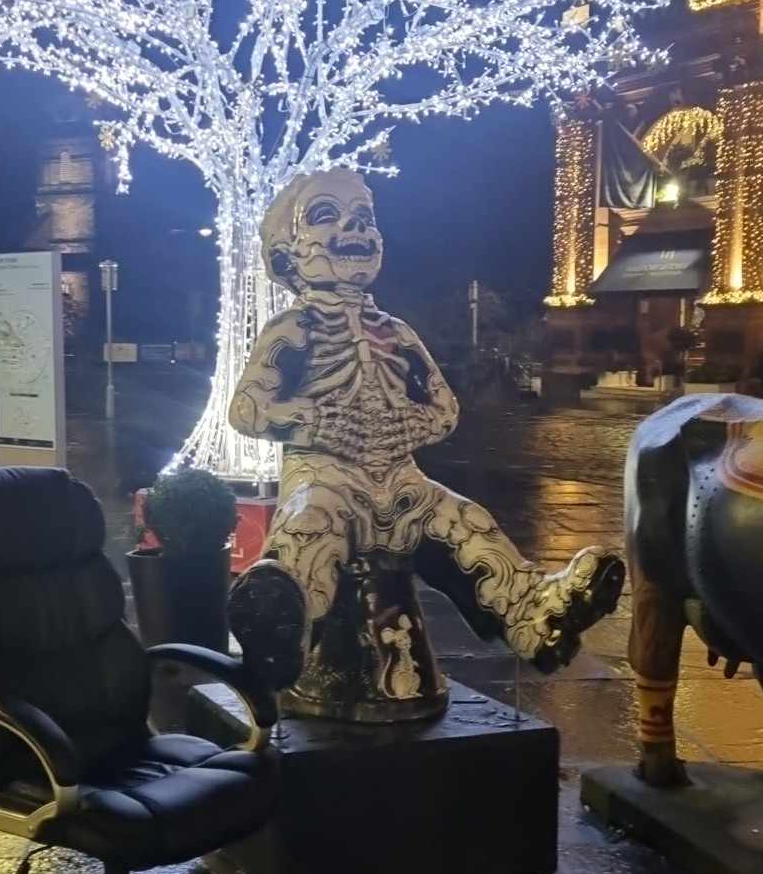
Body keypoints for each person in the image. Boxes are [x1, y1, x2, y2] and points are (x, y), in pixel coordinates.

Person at [228, 166, 623, 687]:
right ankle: (284, 633)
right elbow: (247, 409)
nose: (355, 227)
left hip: (402, 485)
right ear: (286, 255)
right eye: (327, 215)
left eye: (364, 217)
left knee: (466, 520)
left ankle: (534, 616)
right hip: (325, 480)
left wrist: (410, 427)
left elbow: (444, 407)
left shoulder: (396, 333)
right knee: (308, 529)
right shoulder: (291, 330)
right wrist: (317, 421)